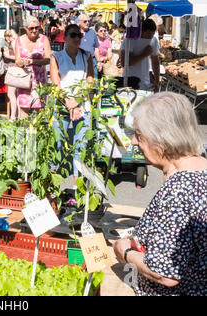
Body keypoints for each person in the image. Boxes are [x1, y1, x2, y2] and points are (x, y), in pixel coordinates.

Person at [113, 92, 206, 296]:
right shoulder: (201, 166)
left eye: (139, 135)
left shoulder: (178, 191)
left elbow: (165, 274)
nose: (134, 142)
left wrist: (125, 253)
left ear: (161, 140)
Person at [49, 24, 94, 182]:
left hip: (82, 105)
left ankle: (77, 186)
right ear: (65, 38)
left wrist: (77, 101)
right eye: (73, 35)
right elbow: (56, 85)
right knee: (57, 143)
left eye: (79, 36)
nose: (77, 38)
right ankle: (51, 181)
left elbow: (90, 81)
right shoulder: (56, 57)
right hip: (62, 104)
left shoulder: (86, 55)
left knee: (80, 146)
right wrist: (68, 102)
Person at [15, 16, 51, 118]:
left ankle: (40, 133)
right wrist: (23, 62)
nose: (34, 30)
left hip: (39, 80)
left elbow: (48, 59)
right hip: (24, 80)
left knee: (40, 109)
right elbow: (17, 60)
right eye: (31, 28)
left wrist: (33, 61)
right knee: (23, 109)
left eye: (36, 27)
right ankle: (24, 133)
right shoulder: (19, 40)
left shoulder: (44, 39)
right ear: (26, 28)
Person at [120, 19, 160, 92]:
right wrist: (144, 54)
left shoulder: (153, 40)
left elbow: (155, 62)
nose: (150, 36)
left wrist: (157, 81)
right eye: (148, 34)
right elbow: (124, 63)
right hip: (129, 81)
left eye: (152, 34)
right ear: (141, 31)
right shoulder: (129, 40)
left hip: (145, 81)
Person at [3, 29, 20, 121]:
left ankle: (13, 116)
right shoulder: (17, 41)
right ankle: (18, 115)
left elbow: (18, 57)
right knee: (16, 94)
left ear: (9, 36)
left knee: (11, 94)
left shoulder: (14, 43)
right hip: (16, 69)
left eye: (6, 37)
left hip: (13, 69)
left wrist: (7, 55)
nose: (6, 40)